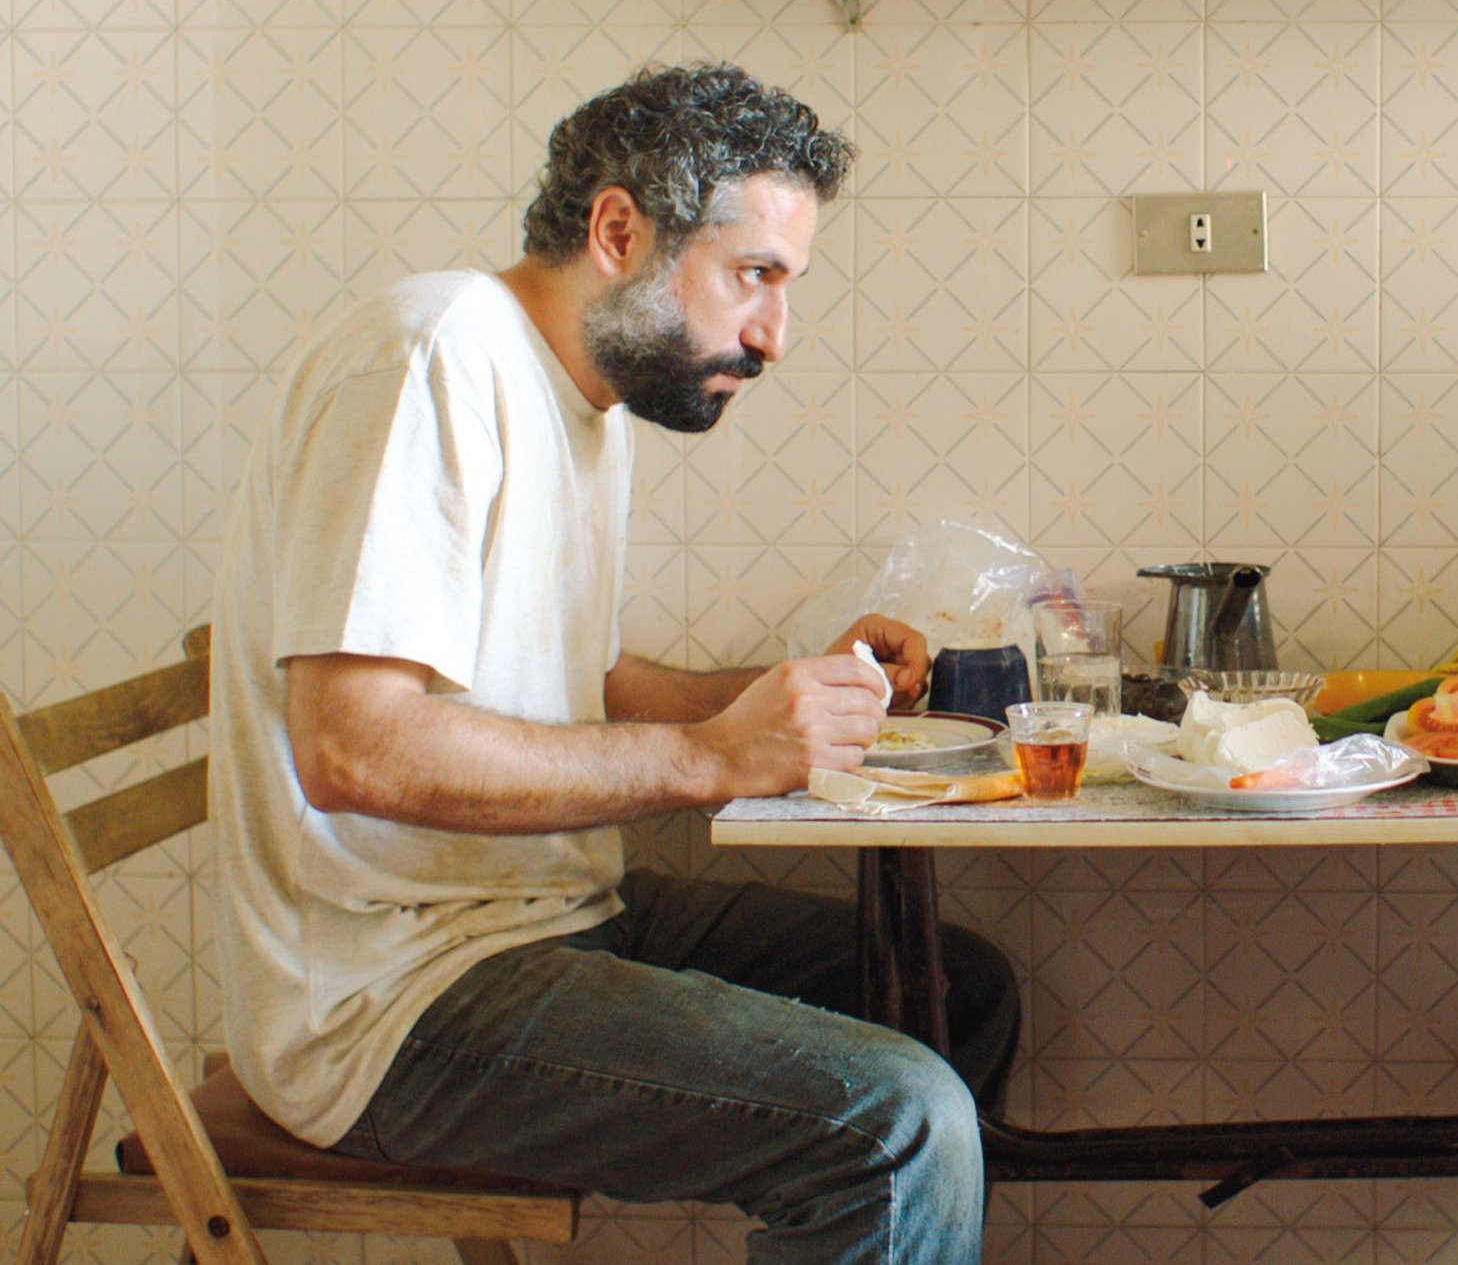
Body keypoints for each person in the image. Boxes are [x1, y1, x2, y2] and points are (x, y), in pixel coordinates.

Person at [210, 62, 1016, 1264]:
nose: (775, 336)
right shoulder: (429, 356)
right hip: (390, 1000)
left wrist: (795, 693)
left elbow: (580, 690)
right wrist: (708, 757)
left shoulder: (580, 402)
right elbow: (351, 748)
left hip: (543, 915)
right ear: (621, 230)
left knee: (959, 984)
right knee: (899, 1121)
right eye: (756, 277)